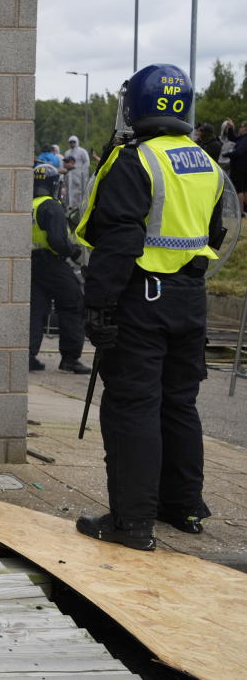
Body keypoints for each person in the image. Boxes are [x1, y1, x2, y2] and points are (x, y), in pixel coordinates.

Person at [74, 63, 225, 551]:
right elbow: (218, 233)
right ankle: (183, 508)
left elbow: (119, 239)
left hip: (143, 297)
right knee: (179, 404)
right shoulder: (205, 162)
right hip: (190, 297)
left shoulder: (134, 159)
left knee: (133, 406)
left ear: (136, 104)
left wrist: (98, 306)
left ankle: (132, 522)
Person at [29, 163, 90, 374]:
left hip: (33, 264)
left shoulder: (31, 205)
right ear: (54, 184)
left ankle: (28, 355)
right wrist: (72, 251)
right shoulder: (51, 206)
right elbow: (56, 239)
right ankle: (70, 358)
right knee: (73, 304)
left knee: (36, 310)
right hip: (53, 264)